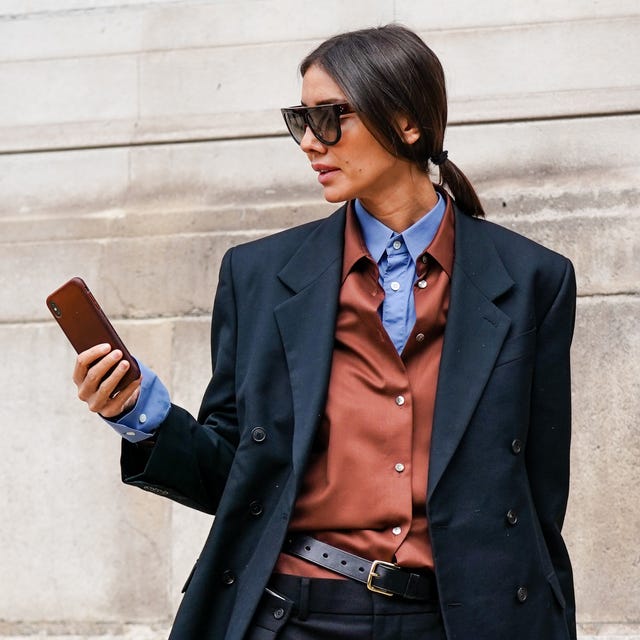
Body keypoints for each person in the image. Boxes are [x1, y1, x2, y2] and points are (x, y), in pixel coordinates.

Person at [73, 24, 577, 640]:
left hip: (458, 619)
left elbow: (537, 502)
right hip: (291, 616)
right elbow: (240, 478)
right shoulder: (258, 276)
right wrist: (145, 419)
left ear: (408, 123)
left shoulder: (533, 281)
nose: (311, 142)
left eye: (330, 118)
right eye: (300, 120)